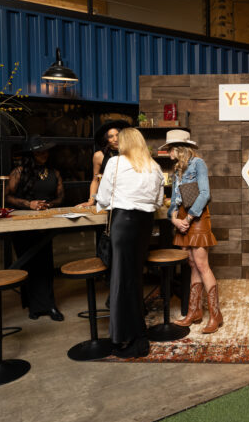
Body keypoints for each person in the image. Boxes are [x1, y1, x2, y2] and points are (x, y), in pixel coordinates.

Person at [95, 127, 164, 358]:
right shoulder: (154, 166)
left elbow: (103, 198)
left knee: (122, 281)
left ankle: (136, 340)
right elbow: (158, 201)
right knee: (133, 279)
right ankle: (135, 335)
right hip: (145, 224)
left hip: (123, 223)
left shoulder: (115, 163)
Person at [162, 130, 221, 333]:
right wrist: (174, 219)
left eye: (170, 148)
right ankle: (194, 312)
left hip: (197, 218)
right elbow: (173, 201)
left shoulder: (198, 164)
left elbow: (205, 194)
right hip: (182, 219)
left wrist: (187, 218)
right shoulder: (176, 170)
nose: (168, 152)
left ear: (178, 149)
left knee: (202, 265)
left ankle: (215, 315)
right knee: (192, 264)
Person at [5, 136, 65, 321]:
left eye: (45, 151)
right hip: (23, 224)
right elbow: (7, 197)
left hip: (45, 223)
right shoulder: (18, 172)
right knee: (29, 265)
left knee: (45, 264)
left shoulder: (54, 173)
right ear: (31, 155)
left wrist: (49, 204)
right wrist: (28, 204)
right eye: (39, 152)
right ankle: (33, 306)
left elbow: (60, 197)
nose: (44, 154)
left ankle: (50, 305)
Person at [78, 119, 130, 208]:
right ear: (106, 139)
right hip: (108, 199)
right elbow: (96, 180)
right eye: (111, 136)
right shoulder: (99, 156)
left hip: (128, 198)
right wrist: (91, 200)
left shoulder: (130, 153)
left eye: (118, 135)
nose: (115, 139)